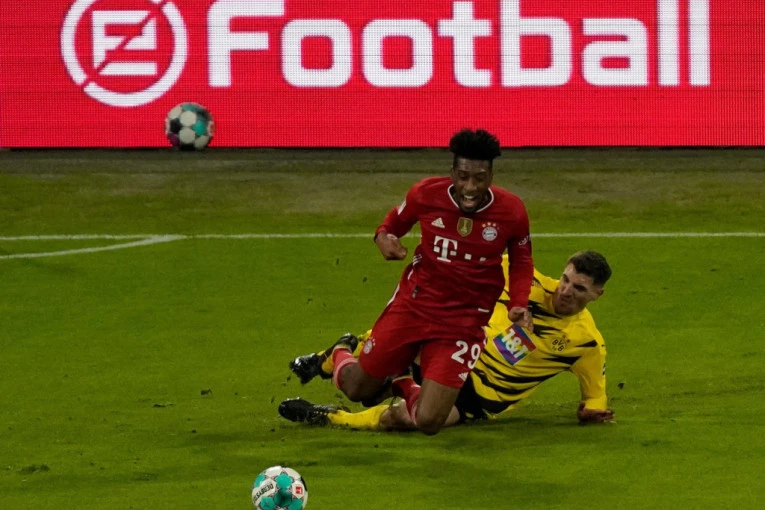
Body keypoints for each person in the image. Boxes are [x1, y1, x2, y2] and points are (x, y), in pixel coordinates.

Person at [303, 129, 534, 436]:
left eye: (479, 179)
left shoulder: (512, 211)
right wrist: (384, 238)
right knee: (358, 389)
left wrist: (518, 303)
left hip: (464, 322)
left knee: (429, 422)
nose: (470, 187)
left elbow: (522, 260)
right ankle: (340, 352)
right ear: (452, 173)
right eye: (463, 177)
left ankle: (402, 383)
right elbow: (392, 224)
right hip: (414, 306)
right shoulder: (425, 194)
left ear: (491, 176)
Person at [281, 251, 614, 430]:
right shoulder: (519, 278)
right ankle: (338, 352)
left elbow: (595, 397)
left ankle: (328, 417)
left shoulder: (586, 343)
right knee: (366, 384)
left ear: (597, 295)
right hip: (446, 352)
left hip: (477, 398)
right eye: (566, 280)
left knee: (409, 419)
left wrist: (592, 411)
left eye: (579, 288)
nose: (566, 291)